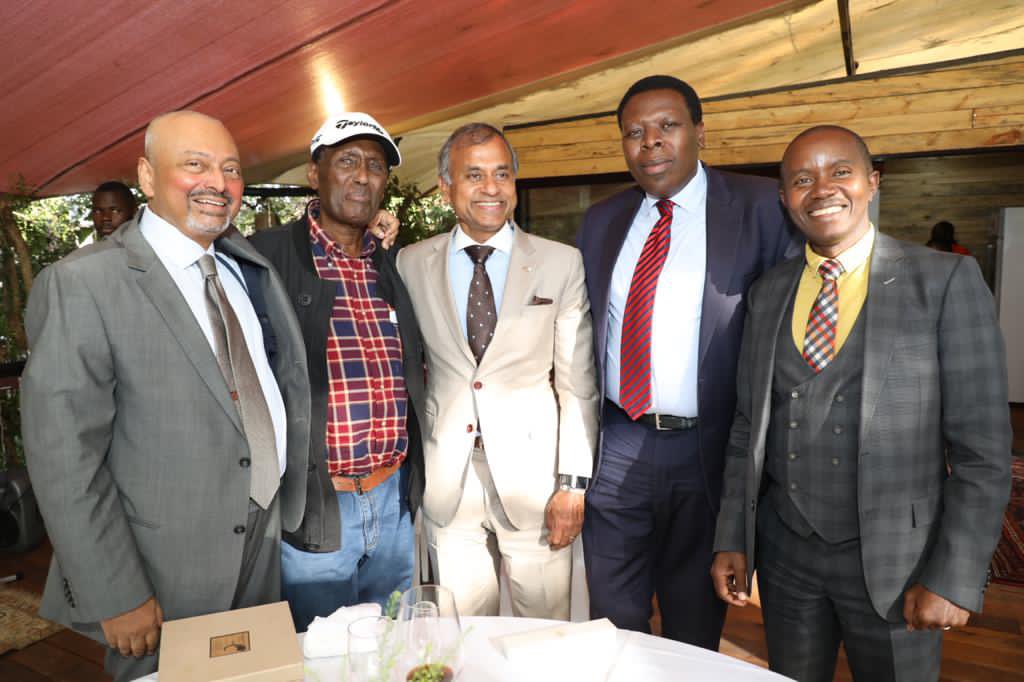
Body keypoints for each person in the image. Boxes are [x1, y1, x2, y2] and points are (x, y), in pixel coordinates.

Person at [711, 125, 1012, 681]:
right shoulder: (768, 291)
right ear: (785, 199)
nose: (821, 188)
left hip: (902, 563)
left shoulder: (943, 281)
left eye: (840, 171)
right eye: (802, 179)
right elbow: (747, 425)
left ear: (872, 183)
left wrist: (953, 574)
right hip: (786, 556)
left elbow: (983, 452)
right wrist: (733, 536)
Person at [21, 111, 311, 681]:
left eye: (230, 169)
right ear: (148, 178)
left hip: (260, 531)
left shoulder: (241, 267)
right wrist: (115, 590)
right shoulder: (84, 283)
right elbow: (63, 455)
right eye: (195, 165)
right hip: (159, 563)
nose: (218, 182)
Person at [576, 75, 798, 648]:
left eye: (667, 126)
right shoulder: (601, 222)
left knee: (692, 623)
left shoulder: (759, 209)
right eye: (634, 132)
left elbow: (786, 336)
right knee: (612, 617)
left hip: (710, 450)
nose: (650, 142)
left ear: (699, 131)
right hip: (617, 445)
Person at [396, 123, 599, 619]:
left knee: (545, 638)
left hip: (536, 482)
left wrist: (573, 484)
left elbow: (578, 384)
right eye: (474, 175)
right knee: (463, 636)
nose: (491, 188)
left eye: (502, 174)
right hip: (450, 482)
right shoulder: (409, 263)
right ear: (446, 189)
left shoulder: (561, 263)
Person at [249, 113, 424, 632]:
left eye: (375, 166)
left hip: (392, 500)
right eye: (347, 161)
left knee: (393, 649)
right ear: (314, 173)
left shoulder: (387, 264)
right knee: (324, 656)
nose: (363, 176)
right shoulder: (266, 258)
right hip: (319, 507)